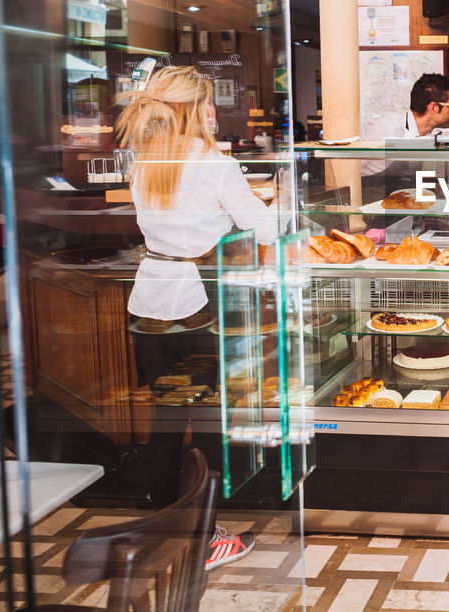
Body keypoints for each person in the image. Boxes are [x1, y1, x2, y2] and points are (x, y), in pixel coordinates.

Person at [115, 66, 279, 571]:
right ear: (194, 109)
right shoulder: (213, 163)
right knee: (208, 419)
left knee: (166, 418)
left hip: (149, 300)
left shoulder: (145, 162)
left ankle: (166, 522)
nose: (213, 112)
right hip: (195, 306)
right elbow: (264, 225)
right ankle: (205, 539)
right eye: (208, 103)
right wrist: (280, 206)